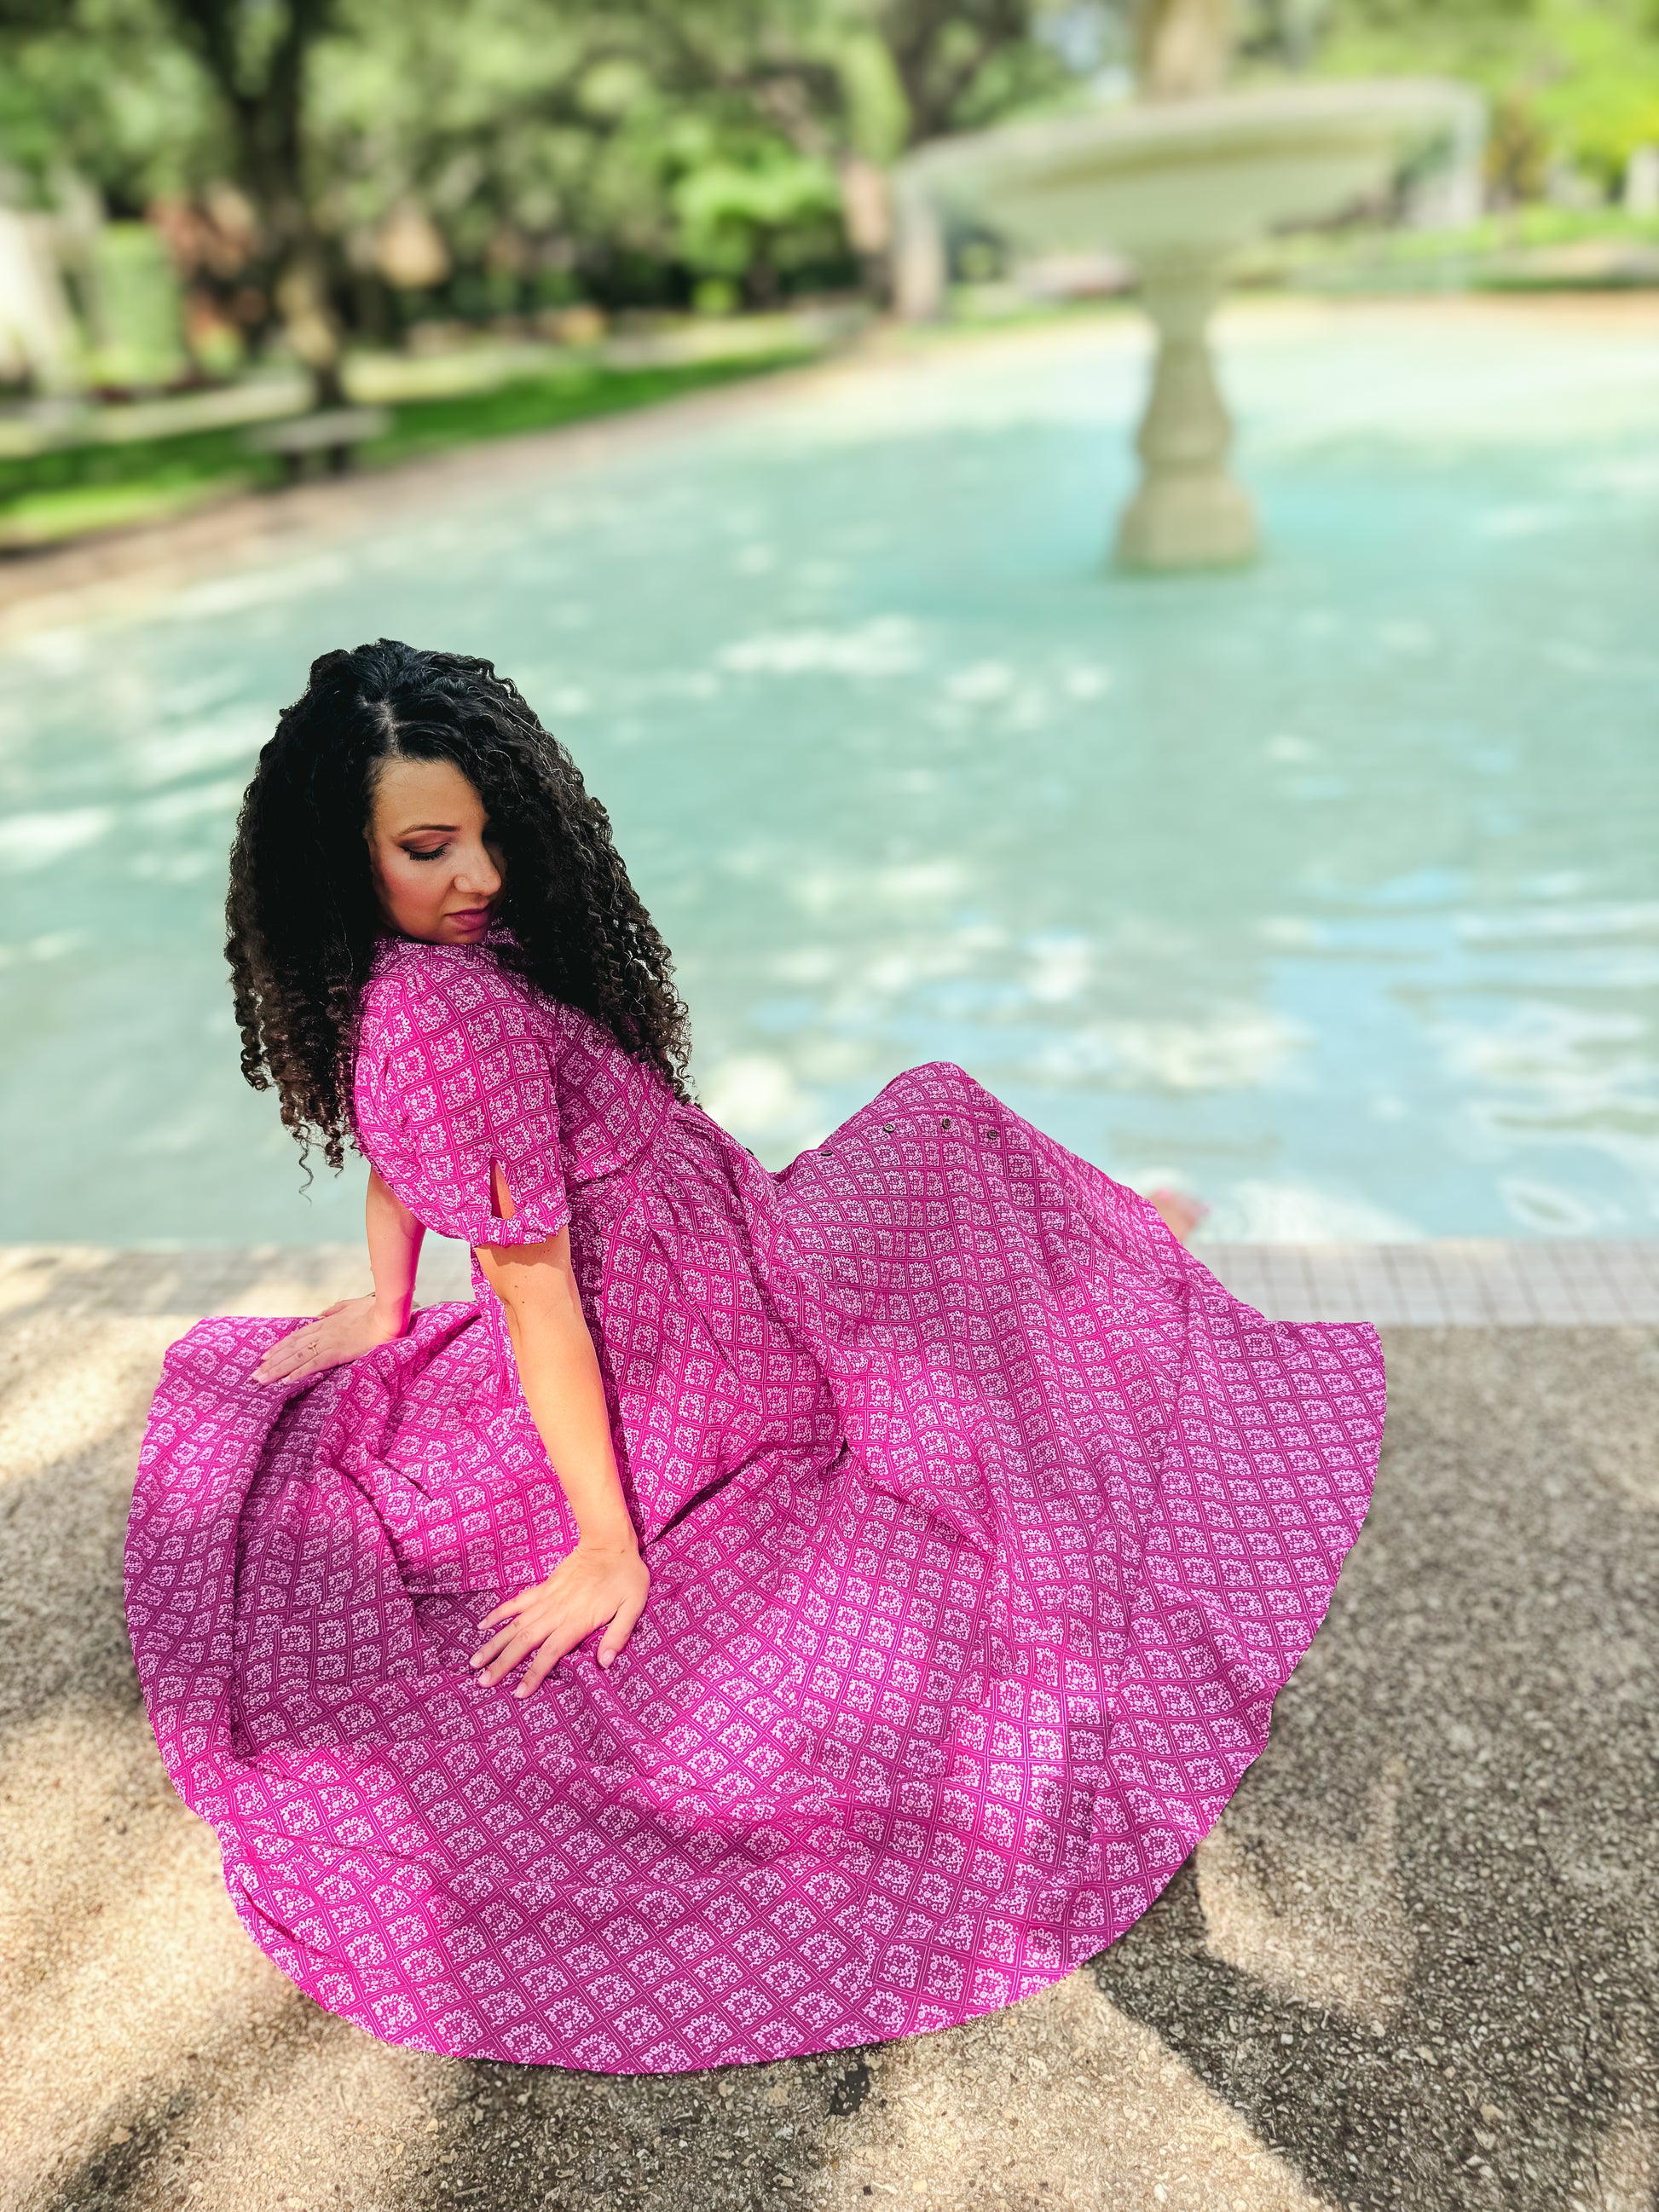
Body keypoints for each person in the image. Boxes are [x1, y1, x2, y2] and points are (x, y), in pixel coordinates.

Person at [126, 639, 1384, 2075]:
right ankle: (1127, 1249)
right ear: (338, 859)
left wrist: (388, 1300)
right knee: (946, 1139)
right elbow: (532, 1291)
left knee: (947, 1151)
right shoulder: (440, 1018)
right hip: (697, 1326)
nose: (476, 876)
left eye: (488, 834)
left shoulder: (421, 973)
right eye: (429, 850)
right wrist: (606, 1545)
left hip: (717, 1244)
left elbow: (405, 1158)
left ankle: (1118, 1245)